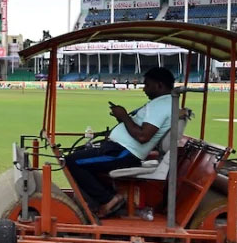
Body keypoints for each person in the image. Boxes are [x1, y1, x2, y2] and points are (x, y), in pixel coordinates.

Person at [64, 66, 175, 217]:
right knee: (78, 156)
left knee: (71, 162)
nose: (144, 89)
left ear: (159, 85)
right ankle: (104, 198)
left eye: (147, 85)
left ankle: (109, 199)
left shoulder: (161, 105)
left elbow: (143, 137)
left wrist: (123, 116)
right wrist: (121, 118)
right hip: (120, 149)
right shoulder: (163, 103)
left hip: (124, 152)